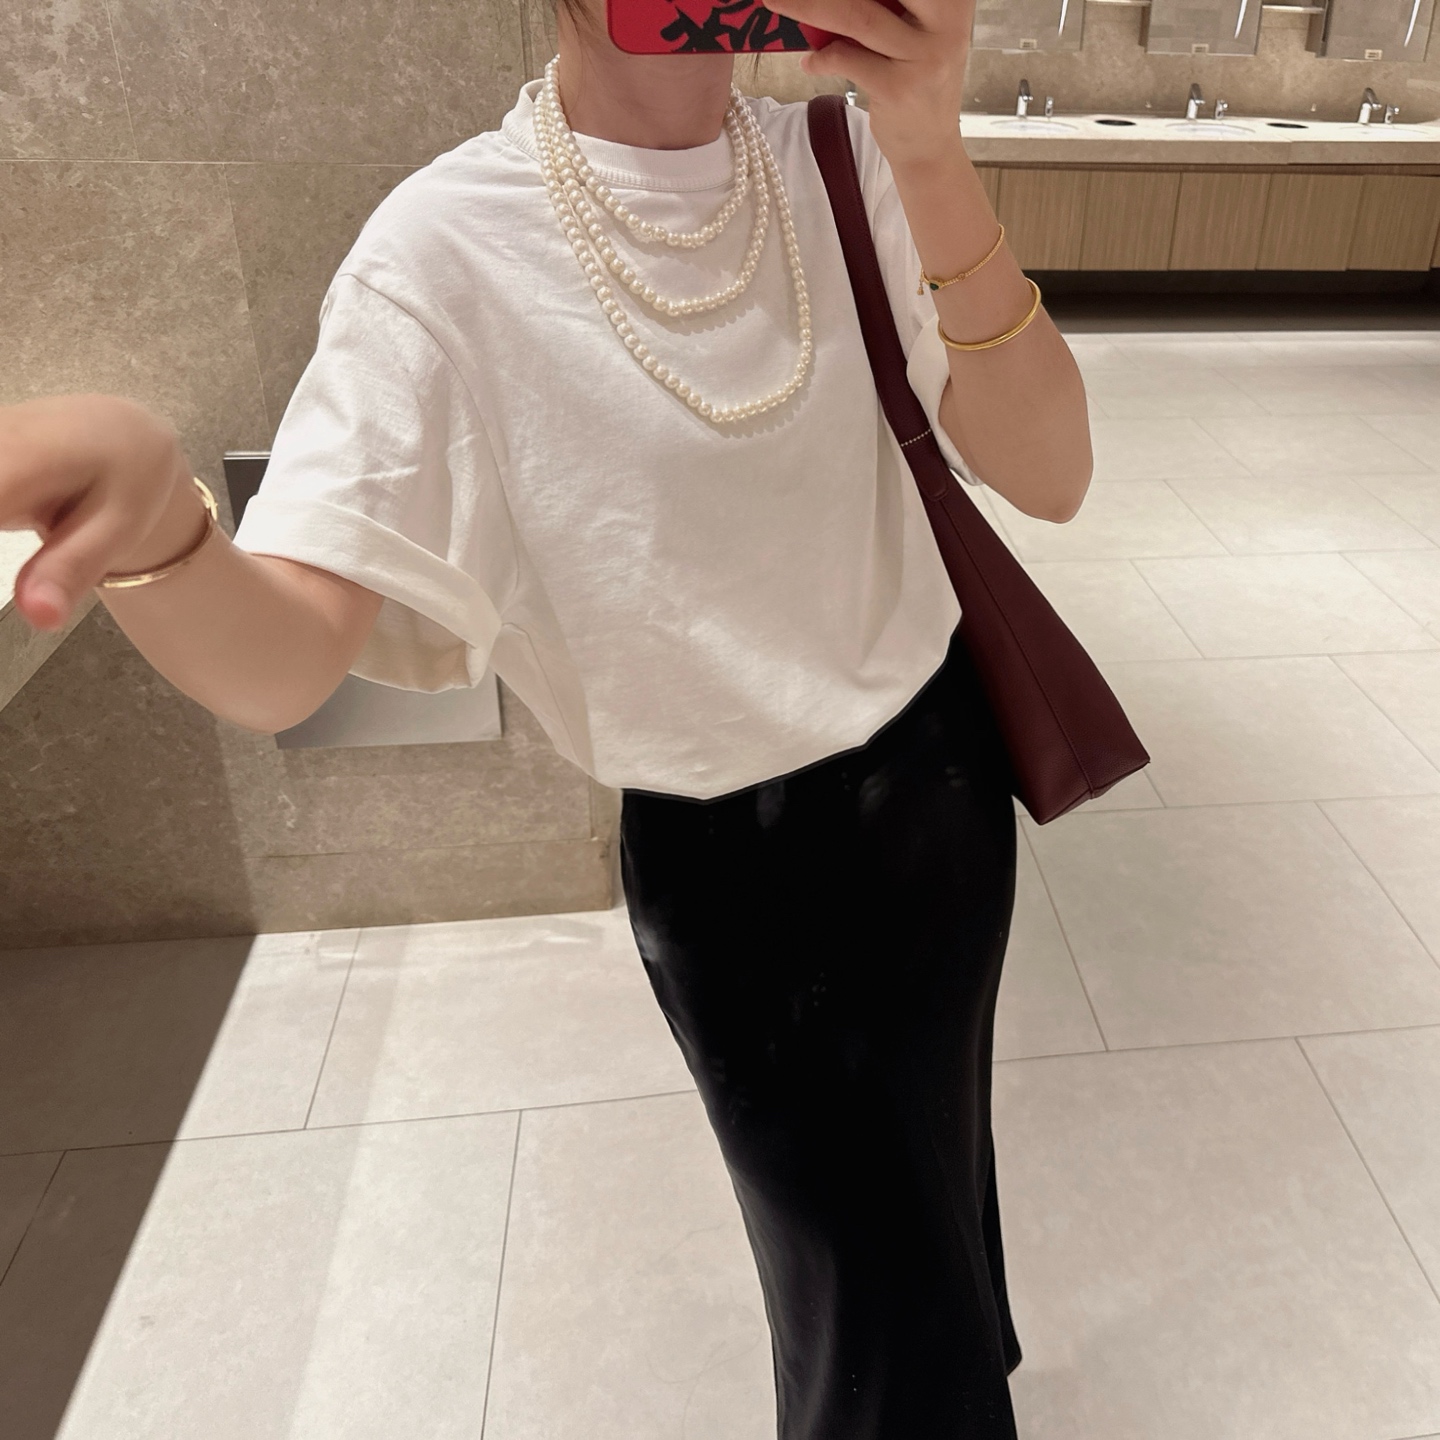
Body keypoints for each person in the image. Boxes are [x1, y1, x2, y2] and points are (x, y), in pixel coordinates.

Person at [0, 0, 1092, 1433]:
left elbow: (1052, 473)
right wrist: (164, 531)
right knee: (854, 1289)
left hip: (937, 793)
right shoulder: (445, 248)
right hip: (735, 873)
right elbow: (286, 667)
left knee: (930, 1165)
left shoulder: (847, 160)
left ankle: (960, 1339)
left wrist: (932, 146)